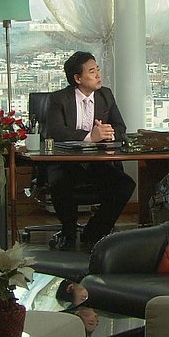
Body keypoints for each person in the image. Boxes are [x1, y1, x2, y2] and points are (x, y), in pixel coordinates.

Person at [45, 51, 136, 251]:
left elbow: (120, 127)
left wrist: (108, 133)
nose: (98, 75)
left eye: (98, 70)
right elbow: (56, 132)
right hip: (65, 164)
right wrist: (90, 137)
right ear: (78, 78)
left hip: (97, 163)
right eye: (92, 71)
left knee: (125, 185)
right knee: (61, 184)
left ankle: (94, 232)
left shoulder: (106, 95)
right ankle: (68, 233)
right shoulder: (58, 99)